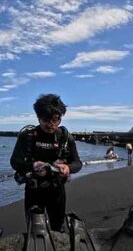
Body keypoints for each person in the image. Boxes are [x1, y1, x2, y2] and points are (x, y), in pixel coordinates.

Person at [10, 94, 82, 232]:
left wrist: (68, 168)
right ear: (38, 117)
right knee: (35, 231)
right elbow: (14, 162)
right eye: (46, 120)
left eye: (56, 120)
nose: (51, 124)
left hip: (57, 191)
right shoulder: (27, 136)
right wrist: (32, 166)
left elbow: (77, 163)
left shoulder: (65, 138)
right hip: (33, 191)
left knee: (58, 229)